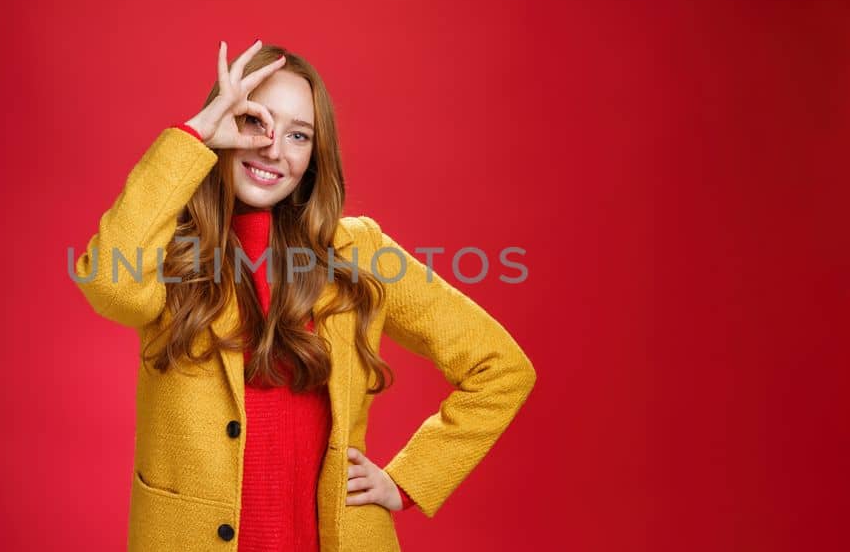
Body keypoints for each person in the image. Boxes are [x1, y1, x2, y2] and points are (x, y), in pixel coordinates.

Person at [72, 40, 536, 551]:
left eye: (298, 135)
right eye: (255, 121)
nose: (274, 148)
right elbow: (108, 284)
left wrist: (408, 480)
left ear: (315, 156)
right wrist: (195, 135)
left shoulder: (359, 252)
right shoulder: (173, 255)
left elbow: (501, 368)